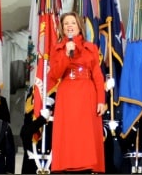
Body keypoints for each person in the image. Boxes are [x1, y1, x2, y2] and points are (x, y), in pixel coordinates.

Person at [49, 11, 106, 173]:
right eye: (66, 23)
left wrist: (101, 100)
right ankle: (67, 164)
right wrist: (66, 55)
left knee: (86, 136)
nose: (69, 26)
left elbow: (97, 75)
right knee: (68, 135)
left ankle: (87, 166)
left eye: (72, 23)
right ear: (62, 28)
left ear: (79, 26)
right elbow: (54, 75)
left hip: (87, 93)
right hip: (67, 93)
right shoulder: (58, 49)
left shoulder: (91, 48)